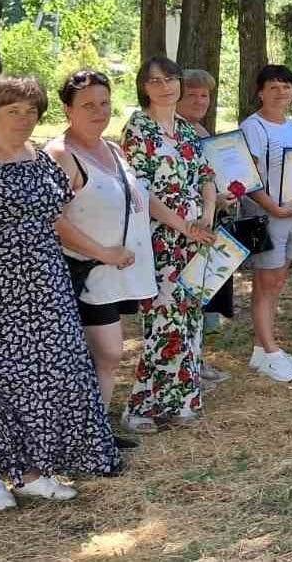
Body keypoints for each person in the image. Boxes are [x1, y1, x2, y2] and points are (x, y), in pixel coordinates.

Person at [0, 75, 123, 511]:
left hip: (48, 292)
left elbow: (55, 222)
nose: (23, 119)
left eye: (30, 112)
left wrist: (101, 252)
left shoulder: (38, 161)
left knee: (44, 382)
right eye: (12, 111)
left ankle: (34, 472)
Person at [46, 70, 157, 447]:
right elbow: (52, 219)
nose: (99, 112)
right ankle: (82, 435)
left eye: (105, 103)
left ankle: (94, 430)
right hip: (85, 271)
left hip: (117, 272)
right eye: (88, 105)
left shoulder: (112, 148)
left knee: (107, 355)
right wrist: (102, 252)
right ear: (68, 109)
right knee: (107, 352)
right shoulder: (60, 154)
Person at [120, 56, 218, 433]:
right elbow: (141, 190)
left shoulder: (186, 129)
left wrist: (207, 215)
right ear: (144, 87)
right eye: (156, 81)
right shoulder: (139, 128)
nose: (166, 87)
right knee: (164, 321)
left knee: (190, 320)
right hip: (161, 240)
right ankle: (143, 406)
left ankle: (184, 401)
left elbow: (206, 174)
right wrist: (183, 226)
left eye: (171, 79)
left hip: (197, 237)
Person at [239, 65, 292, 383]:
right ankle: (270, 351)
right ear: (260, 92)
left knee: (277, 282)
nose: (280, 92)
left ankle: (261, 350)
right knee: (265, 285)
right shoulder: (253, 127)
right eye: (273, 87)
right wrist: (273, 207)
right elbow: (248, 176)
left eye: (286, 86)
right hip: (268, 216)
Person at [176, 68, 237, 385]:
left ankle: (196, 361)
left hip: (209, 225)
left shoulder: (200, 130)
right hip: (185, 229)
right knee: (186, 300)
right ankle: (187, 368)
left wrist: (223, 197)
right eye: (192, 95)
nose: (200, 100)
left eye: (205, 95)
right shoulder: (173, 132)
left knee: (200, 299)